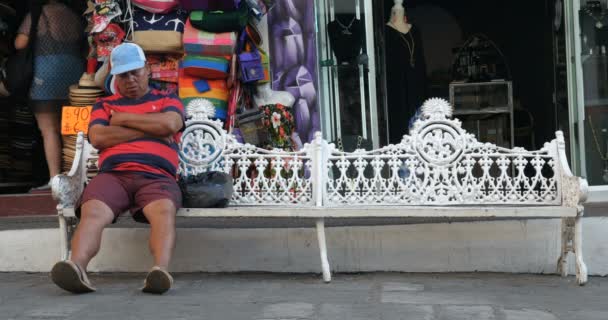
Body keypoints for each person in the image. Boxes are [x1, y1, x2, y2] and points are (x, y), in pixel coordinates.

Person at [50, 43, 185, 295]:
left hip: (157, 176)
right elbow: (99, 137)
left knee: (163, 210)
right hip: (114, 175)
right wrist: (151, 128)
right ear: (114, 76)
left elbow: (170, 122)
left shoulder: (167, 99)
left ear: (147, 69)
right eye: (123, 74)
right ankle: (76, 267)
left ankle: (159, 271)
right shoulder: (103, 105)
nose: (130, 79)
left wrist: (122, 120)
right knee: (93, 211)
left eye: (135, 72)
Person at [14, 0, 84, 188]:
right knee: (70, 129)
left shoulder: (38, 14)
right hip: (74, 72)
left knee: (49, 130)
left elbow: (21, 43)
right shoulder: (73, 15)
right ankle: (74, 174)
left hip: (46, 73)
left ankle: (55, 179)